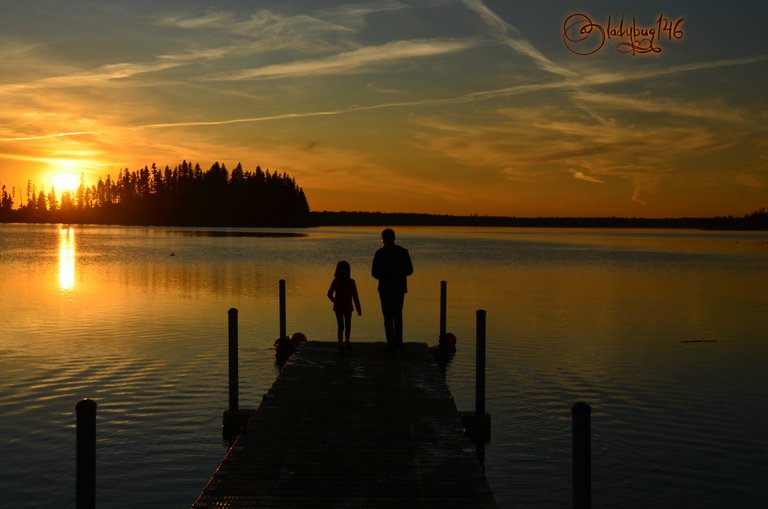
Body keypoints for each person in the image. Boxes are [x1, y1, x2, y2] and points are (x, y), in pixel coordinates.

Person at [371, 228, 413, 350]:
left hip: (385, 289)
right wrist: (399, 274)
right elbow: (410, 270)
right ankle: (398, 342)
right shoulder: (402, 252)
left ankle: (391, 342)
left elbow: (374, 273)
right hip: (399, 288)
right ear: (394, 238)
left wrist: (384, 275)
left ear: (383, 239)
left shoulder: (379, 253)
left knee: (388, 316)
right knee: (398, 315)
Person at [327, 260, 362, 352]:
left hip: (339, 307)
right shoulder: (351, 282)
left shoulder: (336, 281)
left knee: (340, 325)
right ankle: (346, 343)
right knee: (348, 325)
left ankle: (340, 344)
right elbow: (355, 297)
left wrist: (335, 301)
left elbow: (329, 294)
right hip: (347, 306)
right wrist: (359, 309)